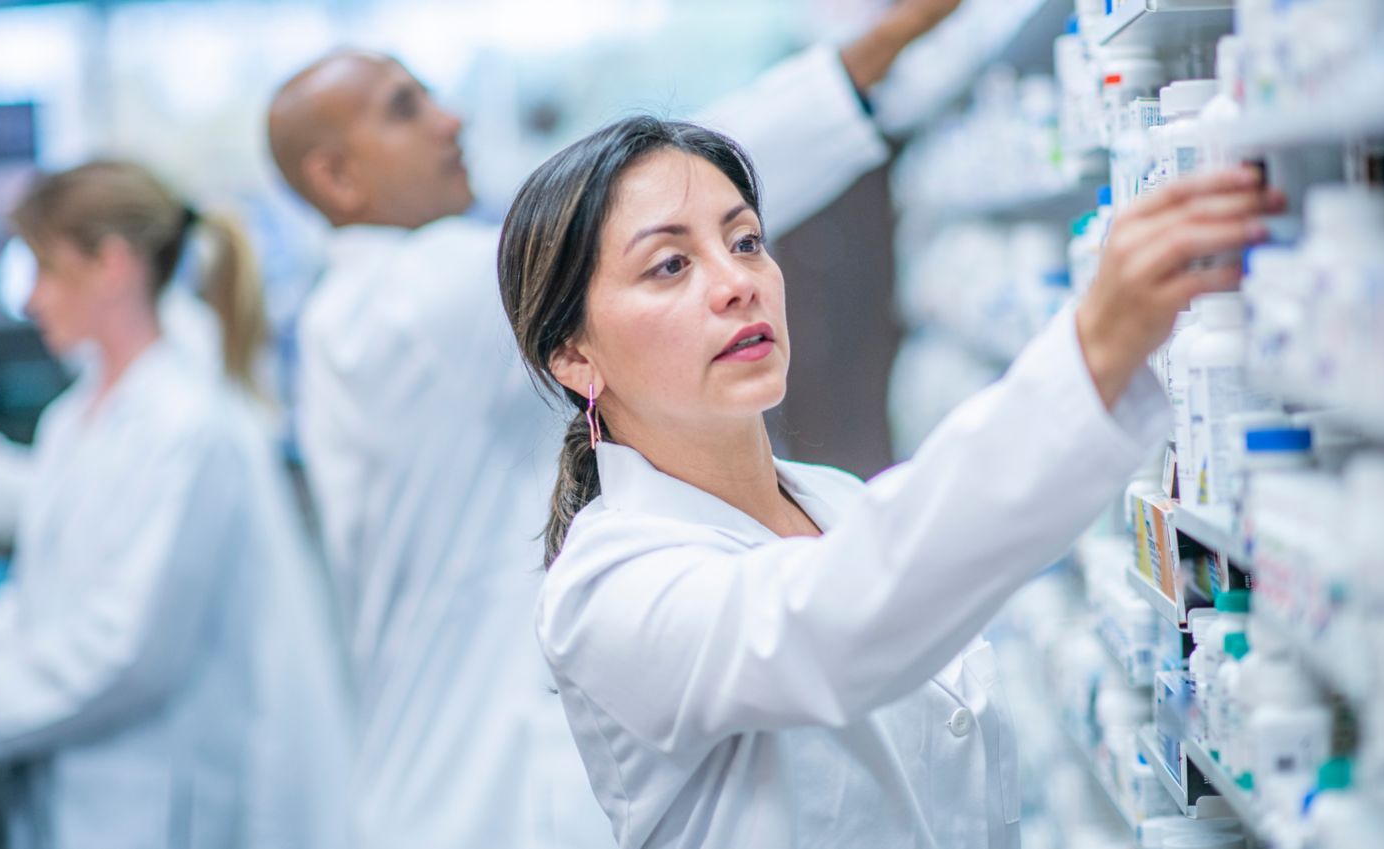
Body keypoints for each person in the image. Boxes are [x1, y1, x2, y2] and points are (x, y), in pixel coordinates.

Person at [263, 2, 974, 845]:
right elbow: (648, 205)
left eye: (746, 244)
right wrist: (891, 36)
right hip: (480, 798)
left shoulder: (364, 311)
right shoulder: (411, 308)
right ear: (337, 177)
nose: (448, 119)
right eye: (403, 108)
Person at [494, 116, 1285, 847]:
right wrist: (1094, 349)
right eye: (669, 265)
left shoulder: (841, 501)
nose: (736, 282)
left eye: (744, 241)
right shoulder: (605, 590)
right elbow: (833, 623)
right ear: (574, 357)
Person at [0, 161, 348, 849]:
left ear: (112, 265)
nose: (30, 298)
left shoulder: (190, 428)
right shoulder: (75, 417)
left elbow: (129, 651)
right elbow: (44, 598)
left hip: (150, 800)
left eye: (44, 269)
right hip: (69, 786)